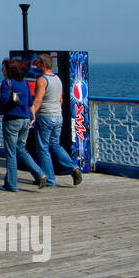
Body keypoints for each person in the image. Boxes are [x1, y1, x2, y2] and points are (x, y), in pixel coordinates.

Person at [30, 55, 83, 186]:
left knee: (42, 148)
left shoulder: (42, 80)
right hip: (57, 116)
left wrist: (32, 115)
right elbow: (61, 100)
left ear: (43, 64)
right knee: (55, 145)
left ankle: (49, 179)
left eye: (38, 63)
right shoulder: (57, 79)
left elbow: (38, 99)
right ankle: (73, 168)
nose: (36, 65)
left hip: (45, 116)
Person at [0, 59, 48, 191]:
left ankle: (12, 184)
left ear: (9, 70)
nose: (2, 70)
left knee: (11, 152)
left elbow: (3, 101)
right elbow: (30, 100)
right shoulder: (24, 83)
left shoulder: (6, 83)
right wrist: (33, 115)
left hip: (12, 119)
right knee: (21, 149)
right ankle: (39, 173)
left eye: (3, 68)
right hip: (25, 118)